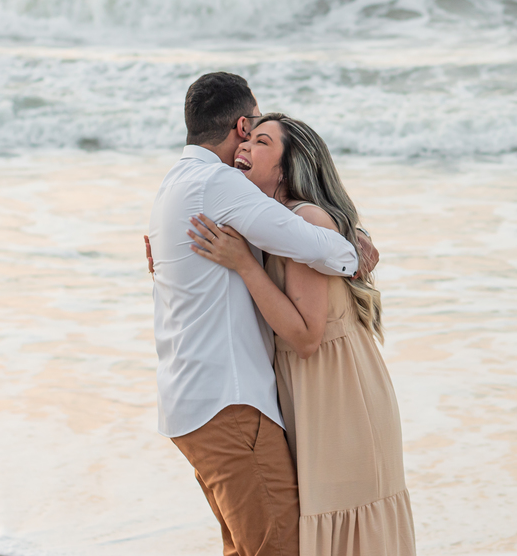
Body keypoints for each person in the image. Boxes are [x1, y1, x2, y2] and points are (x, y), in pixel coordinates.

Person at [148, 72, 370, 556]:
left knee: (246, 547)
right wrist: (355, 248)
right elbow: (313, 246)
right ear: (241, 126)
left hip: (191, 401)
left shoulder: (174, 185)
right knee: (277, 548)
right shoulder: (217, 183)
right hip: (228, 404)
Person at [186, 112, 416, 556]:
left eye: (262, 142)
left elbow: (307, 338)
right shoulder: (269, 225)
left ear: (288, 169)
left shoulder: (303, 219)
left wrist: (245, 264)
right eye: (247, 139)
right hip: (313, 394)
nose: (245, 148)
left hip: (338, 398)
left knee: (343, 535)